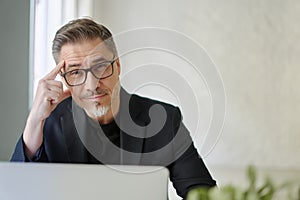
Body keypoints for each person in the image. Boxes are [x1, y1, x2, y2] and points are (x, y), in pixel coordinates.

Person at [11, 18, 216, 198]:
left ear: (117, 66)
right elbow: (14, 192)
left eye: (100, 66)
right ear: (63, 78)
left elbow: (203, 194)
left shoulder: (164, 120)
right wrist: (34, 121)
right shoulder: (48, 122)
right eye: (75, 72)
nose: (92, 85)